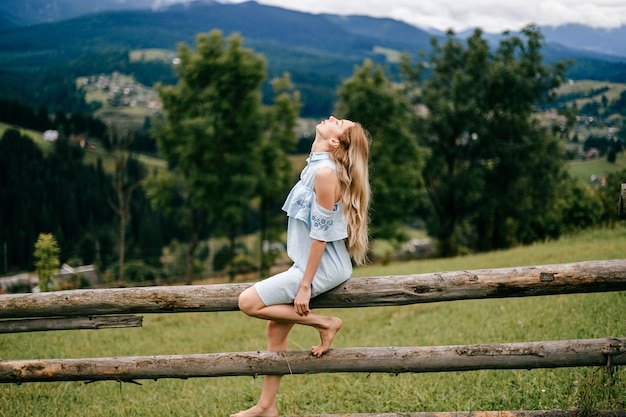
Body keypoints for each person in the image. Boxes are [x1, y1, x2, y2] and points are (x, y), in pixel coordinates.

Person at [230, 115, 371, 417]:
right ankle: (267, 406)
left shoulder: (324, 173)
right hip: (311, 263)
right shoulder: (317, 166)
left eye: (339, 122)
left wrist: (305, 286)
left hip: (320, 267)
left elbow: (319, 236)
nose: (332, 117)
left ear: (334, 142)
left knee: (248, 302)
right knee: (275, 331)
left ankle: (325, 323)